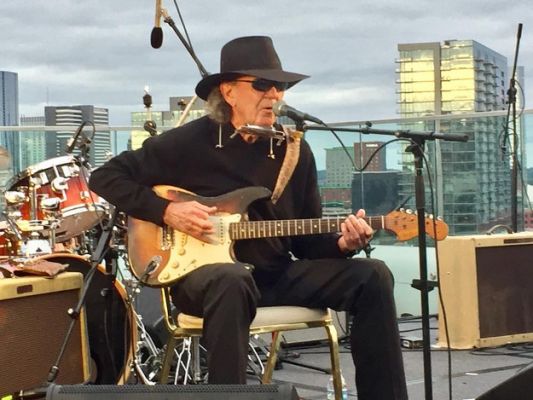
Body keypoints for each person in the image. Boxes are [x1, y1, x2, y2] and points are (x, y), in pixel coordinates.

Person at [89, 35, 408, 399]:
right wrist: (168, 211)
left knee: (372, 275)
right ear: (228, 91)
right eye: (262, 85)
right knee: (232, 278)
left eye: (281, 86)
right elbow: (105, 177)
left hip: (274, 275)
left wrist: (342, 243)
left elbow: (305, 243)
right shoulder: (188, 143)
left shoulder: (294, 152)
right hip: (204, 281)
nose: (274, 95)